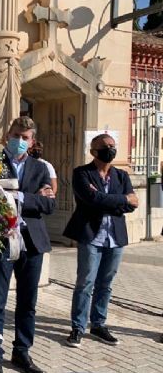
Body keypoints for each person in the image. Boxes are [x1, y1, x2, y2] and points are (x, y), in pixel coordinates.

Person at [0, 116, 56, 373]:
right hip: (1, 240)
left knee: (28, 302)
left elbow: (49, 205)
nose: (20, 141)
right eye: (16, 135)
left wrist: (20, 197)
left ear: (32, 141)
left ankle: (22, 351)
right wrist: (35, 197)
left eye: (25, 138)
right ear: (7, 136)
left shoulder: (41, 168)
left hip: (32, 242)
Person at [63, 134, 138, 348]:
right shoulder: (81, 173)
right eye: (105, 146)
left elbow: (133, 204)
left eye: (113, 145)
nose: (110, 149)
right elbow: (90, 199)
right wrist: (122, 199)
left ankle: (98, 324)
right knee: (85, 282)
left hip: (115, 237)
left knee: (106, 284)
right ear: (93, 151)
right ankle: (78, 327)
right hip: (91, 236)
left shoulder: (121, 175)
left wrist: (111, 201)